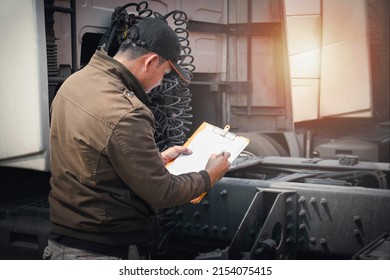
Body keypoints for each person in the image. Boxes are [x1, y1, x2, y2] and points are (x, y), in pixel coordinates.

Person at [43, 17, 231, 260]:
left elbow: (92, 156)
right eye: (164, 73)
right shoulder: (127, 112)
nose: (162, 81)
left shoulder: (74, 84)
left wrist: (156, 159)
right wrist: (208, 176)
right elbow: (162, 193)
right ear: (150, 61)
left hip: (62, 246)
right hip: (100, 253)